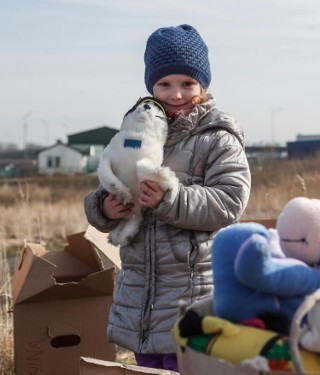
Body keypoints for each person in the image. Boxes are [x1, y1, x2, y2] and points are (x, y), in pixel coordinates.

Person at [84, 24, 251, 371]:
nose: (176, 94)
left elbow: (230, 200)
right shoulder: (137, 131)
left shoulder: (217, 138)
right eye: (165, 84)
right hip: (141, 292)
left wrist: (168, 199)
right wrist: (105, 206)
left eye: (187, 84)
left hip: (193, 289)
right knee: (148, 365)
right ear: (151, 86)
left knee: (188, 364)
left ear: (203, 84)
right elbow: (114, 175)